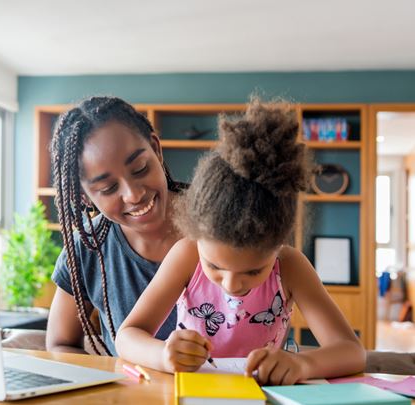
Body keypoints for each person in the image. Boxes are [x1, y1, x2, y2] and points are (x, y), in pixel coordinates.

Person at [115, 99, 366, 385]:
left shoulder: (291, 266)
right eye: (215, 266)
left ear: (278, 245)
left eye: (253, 271)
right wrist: (162, 355)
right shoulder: (186, 255)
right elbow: (127, 336)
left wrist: (303, 364)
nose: (233, 285)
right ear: (196, 236)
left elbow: (351, 351)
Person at [46, 96, 185, 356]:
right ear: (85, 196)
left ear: (156, 149)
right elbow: (61, 344)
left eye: (141, 168)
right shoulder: (87, 250)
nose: (133, 194)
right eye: (108, 188)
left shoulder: (220, 221)